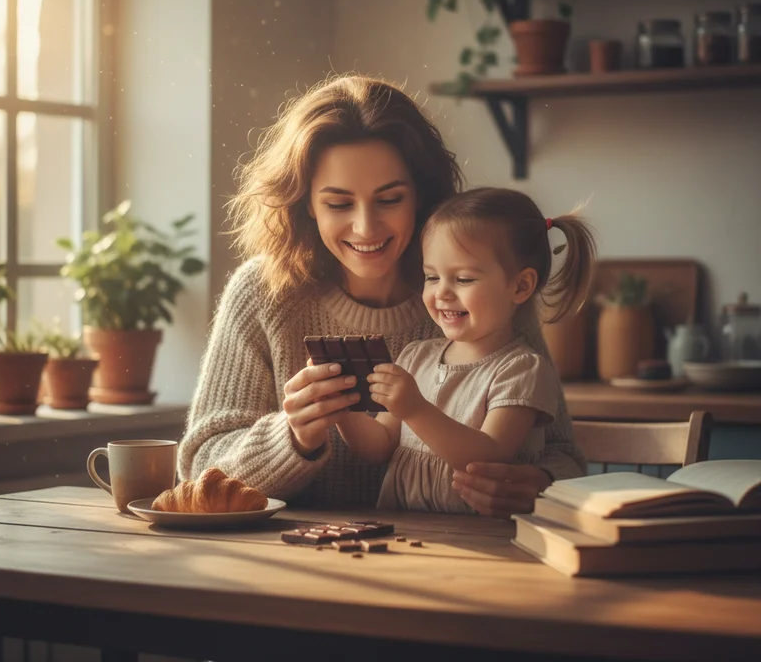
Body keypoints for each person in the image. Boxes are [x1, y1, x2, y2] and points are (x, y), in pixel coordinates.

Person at [178, 75, 586, 517]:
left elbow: (563, 457)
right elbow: (199, 469)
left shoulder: (482, 293)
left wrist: (540, 486)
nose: (366, 228)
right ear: (306, 204)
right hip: (295, 558)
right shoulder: (262, 294)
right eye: (338, 204)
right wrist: (293, 436)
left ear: (421, 198)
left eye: (389, 199)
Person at [336, 187, 596, 513]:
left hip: (483, 536)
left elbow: (488, 456)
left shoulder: (523, 369)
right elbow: (380, 445)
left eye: (463, 279)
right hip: (407, 532)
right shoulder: (416, 357)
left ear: (520, 286)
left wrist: (416, 409)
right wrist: (342, 412)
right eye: (432, 277)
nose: (442, 293)